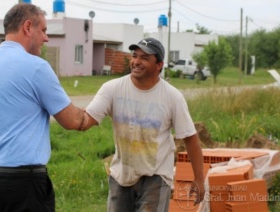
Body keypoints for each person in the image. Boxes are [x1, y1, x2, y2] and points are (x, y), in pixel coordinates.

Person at [0, 3, 85, 212]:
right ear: (27, 27)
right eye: (42, 30)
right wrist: (92, 115)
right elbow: (72, 120)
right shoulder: (36, 67)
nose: (46, 38)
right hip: (24, 183)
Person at [81, 37, 205, 211]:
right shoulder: (112, 88)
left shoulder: (172, 97)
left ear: (159, 65)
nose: (136, 62)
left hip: (156, 177)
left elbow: (190, 138)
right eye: (135, 56)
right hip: (121, 175)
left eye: (144, 58)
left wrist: (199, 179)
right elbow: (87, 119)